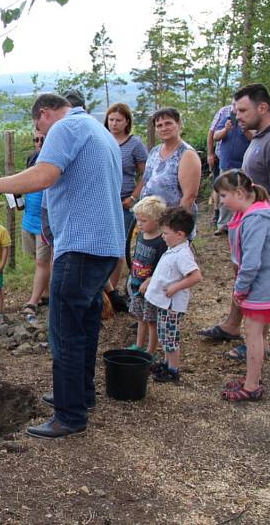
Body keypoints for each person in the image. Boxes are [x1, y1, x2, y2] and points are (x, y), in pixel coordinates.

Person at [0, 91, 125, 439]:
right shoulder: (99, 131)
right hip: (106, 244)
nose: (39, 133)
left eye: (36, 125)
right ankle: (80, 396)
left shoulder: (65, 128)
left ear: (43, 114)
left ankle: (68, 416)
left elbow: (43, 175)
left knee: (63, 329)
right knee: (85, 324)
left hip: (81, 245)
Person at [198, 84, 270, 359]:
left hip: (264, 230)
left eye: (242, 110)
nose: (237, 116)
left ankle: (258, 341)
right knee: (243, 277)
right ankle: (233, 326)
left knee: (258, 284)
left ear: (263, 107)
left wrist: (257, 223)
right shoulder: (259, 135)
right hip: (247, 224)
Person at [214, 170, 270, 401]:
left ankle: (251, 387)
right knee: (256, 332)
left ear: (239, 193)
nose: (221, 201)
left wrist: (239, 290)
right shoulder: (253, 214)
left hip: (269, 282)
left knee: (253, 333)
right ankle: (252, 376)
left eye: (223, 195)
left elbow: (251, 263)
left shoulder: (256, 220)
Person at [145, 207, 203, 384]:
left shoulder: (183, 254)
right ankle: (167, 363)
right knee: (164, 335)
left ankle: (173, 370)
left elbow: (196, 276)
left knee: (169, 338)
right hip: (163, 304)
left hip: (171, 306)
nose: (162, 236)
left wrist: (176, 287)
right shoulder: (173, 248)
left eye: (166, 233)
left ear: (180, 234)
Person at [104, 103, 148, 310]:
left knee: (119, 247)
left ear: (127, 122)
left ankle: (115, 289)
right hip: (104, 200)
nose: (114, 123)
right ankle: (107, 290)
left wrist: (133, 196)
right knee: (103, 244)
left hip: (124, 201)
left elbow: (145, 173)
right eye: (111, 119)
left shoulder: (134, 144)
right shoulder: (102, 140)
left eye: (118, 120)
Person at [138, 108, 202, 237]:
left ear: (179, 124)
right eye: (159, 125)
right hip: (152, 225)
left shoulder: (186, 154)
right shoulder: (154, 151)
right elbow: (145, 181)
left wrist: (172, 227)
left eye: (168, 123)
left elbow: (189, 196)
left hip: (172, 227)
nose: (164, 128)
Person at [126, 196, 168, 355]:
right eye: (138, 220)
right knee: (140, 317)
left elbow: (163, 267)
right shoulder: (141, 236)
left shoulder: (161, 241)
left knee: (151, 320)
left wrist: (150, 281)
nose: (139, 224)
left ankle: (150, 351)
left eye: (143, 220)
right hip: (137, 284)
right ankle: (139, 345)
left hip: (151, 288)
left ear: (157, 220)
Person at [20, 130, 52, 318]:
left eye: (43, 139)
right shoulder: (32, 158)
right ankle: (45, 294)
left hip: (44, 222)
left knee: (43, 261)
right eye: (36, 139)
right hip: (29, 218)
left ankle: (32, 301)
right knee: (37, 260)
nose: (39, 142)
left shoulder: (53, 160)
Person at [209, 99, 252, 235]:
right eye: (234, 105)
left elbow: (254, 138)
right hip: (226, 162)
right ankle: (223, 224)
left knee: (244, 192)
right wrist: (226, 129)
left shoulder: (250, 118)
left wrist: (244, 128)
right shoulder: (225, 115)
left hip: (244, 163)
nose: (235, 108)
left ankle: (243, 224)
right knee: (225, 192)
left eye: (237, 105)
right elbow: (215, 136)